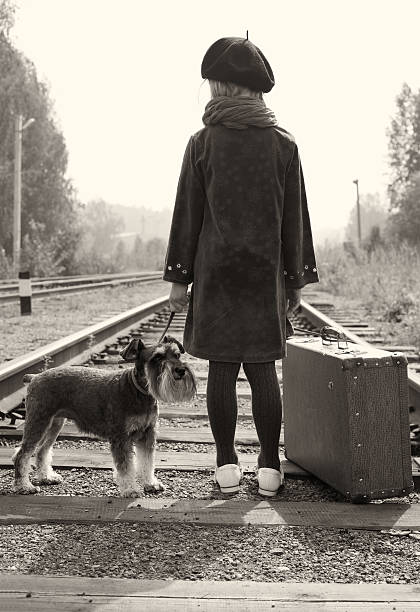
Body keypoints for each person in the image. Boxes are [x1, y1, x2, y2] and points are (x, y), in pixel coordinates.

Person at [162, 36, 319, 496]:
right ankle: (269, 469)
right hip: (263, 275)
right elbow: (295, 220)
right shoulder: (283, 145)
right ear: (256, 90)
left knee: (224, 369)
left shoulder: (201, 143)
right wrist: (295, 282)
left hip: (216, 276)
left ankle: (227, 467)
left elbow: (187, 214)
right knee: (264, 370)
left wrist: (179, 278)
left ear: (221, 87)